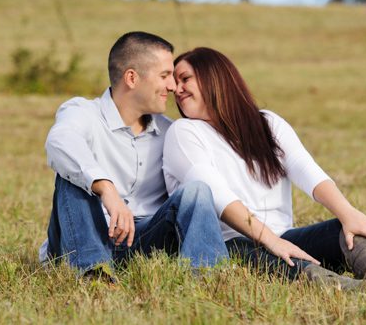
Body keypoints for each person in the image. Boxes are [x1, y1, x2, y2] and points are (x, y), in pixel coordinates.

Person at [163, 47, 366, 290]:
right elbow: (217, 195)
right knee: (288, 260)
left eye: (185, 78)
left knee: (345, 229)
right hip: (234, 244)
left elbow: (305, 168)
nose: (177, 89)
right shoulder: (183, 132)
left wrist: (348, 214)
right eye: (175, 83)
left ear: (215, 78)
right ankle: (356, 290)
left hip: (283, 236)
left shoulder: (266, 122)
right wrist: (272, 242)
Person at [41, 32, 228, 280]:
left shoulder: (171, 132)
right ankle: (95, 274)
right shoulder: (82, 112)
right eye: (165, 76)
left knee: (197, 190)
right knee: (72, 175)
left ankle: (208, 276)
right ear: (132, 78)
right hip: (82, 236)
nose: (173, 86)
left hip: (143, 238)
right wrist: (105, 188)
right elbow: (60, 141)